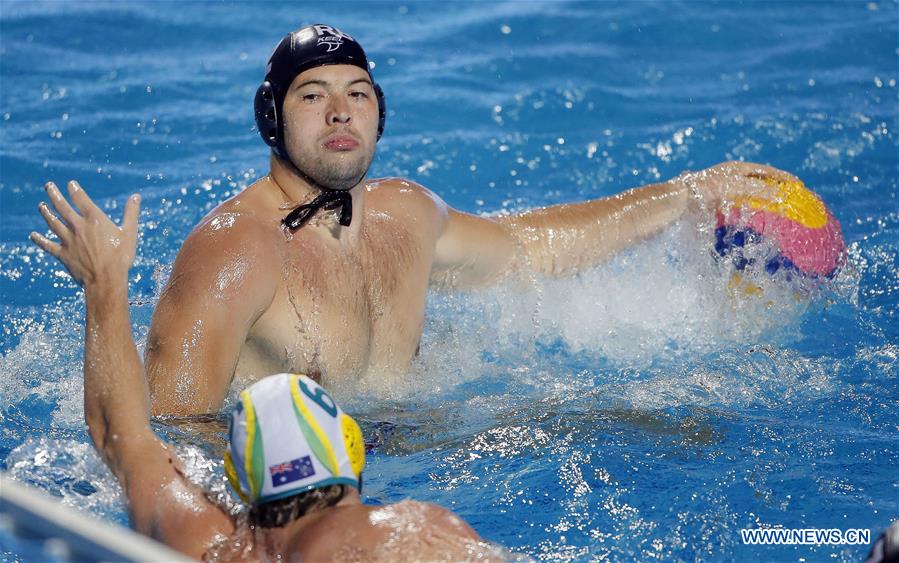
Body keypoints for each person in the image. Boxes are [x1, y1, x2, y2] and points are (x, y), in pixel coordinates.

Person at [31, 23, 802, 417]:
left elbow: (529, 250)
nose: (340, 109)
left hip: (403, 433)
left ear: (378, 114)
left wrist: (679, 196)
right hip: (291, 498)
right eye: (312, 94)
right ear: (272, 119)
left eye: (358, 92)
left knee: (645, 418)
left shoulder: (404, 213)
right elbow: (171, 428)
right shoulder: (234, 255)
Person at [27, 186, 491, 558]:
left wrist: (103, 283)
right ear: (352, 450)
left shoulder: (204, 540)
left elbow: (118, 434)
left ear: (237, 475)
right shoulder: (415, 536)